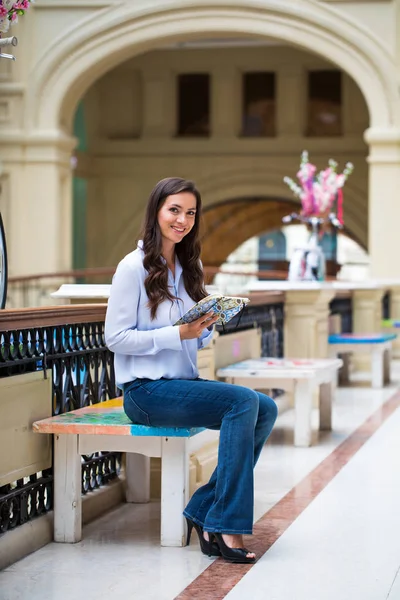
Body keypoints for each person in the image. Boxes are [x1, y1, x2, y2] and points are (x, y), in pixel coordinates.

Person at [105, 177, 278, 564]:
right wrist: (175, 333)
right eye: (174, 210)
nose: (182, 220)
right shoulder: (131, 268)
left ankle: (204, 510)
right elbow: (115, 338)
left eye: (190, 213)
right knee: (242, 404)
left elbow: (190, 339)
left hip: (182, 383)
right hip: (145, 392)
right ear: (156, 212)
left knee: (266, 409)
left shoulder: (190, 266)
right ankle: (225, 524)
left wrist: (202, 328)